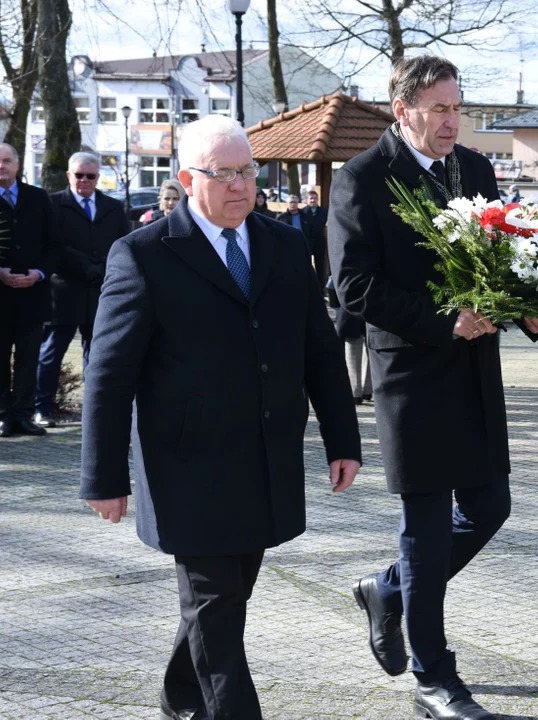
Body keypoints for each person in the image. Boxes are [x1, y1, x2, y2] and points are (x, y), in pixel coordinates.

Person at [78, 115, 363, 720]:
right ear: (187, 179)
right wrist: (103, 477)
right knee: (215, 608)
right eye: (224, 173)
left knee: (227, 601)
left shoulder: (284, 245)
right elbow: (108, 373)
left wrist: (343, 437)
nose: (240, 185)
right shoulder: (142, 255)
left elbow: (318, 347)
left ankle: (180, 695)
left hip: (265, 460)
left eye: (248, 171)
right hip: (187, 469)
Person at [327, 55, 538, 720]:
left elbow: (504, 260)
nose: (453, 120)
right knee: (425, 534)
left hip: (475, 369)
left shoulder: (476, 170)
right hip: (411, 376)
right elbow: (354, 286)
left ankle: (389, 590)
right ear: (403, 111)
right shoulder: (362, 178)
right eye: (439, 108)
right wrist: (441, 321)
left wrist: (530, 311)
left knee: (490, 508)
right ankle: (435, 678)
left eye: (458, 107)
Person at [32, 152, 129, 428]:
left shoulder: (112, 206)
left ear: (98, 177)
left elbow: (123, 242)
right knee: (51, 353)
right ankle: (42, 408)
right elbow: (53, 244)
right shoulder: (53, 204)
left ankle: (96, 410)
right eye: (79, 175)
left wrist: (102, 267)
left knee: (97, 355)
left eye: (91, 176)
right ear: (68, 175)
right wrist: (84, 264)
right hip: (64, 291)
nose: (85, 180)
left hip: (100, 291)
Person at [0, 143, 57, 437]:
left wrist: (39, 273)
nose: (1, 167)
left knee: (27, 359)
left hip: (32, 296)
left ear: (17, 164)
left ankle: (23, 415)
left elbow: (53, 244)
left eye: (6, 161)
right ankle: (2, 416)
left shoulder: (37, 198)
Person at [335, 306, 372, 405]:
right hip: (372, 309)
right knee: (370, 349)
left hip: (350, 311)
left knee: (353, 351)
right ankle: (367, 390)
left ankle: (356, 392)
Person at [301, 189, 330, 288]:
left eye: (314, 198)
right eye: (310, 198)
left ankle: (321, 288)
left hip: (319, 243)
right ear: (307, 200)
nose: (312, 200)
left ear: (317, 199)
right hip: (306, 243)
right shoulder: (302, 212)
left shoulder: (324, 212)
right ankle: (307, 287)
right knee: (306, 266)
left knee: (320, 267)